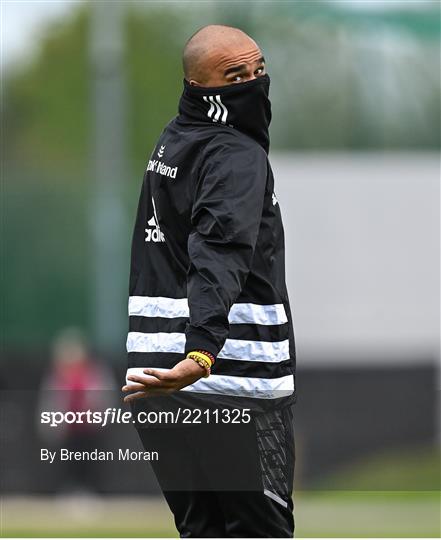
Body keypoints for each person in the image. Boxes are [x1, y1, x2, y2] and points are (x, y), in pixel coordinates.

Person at [122, 24, 297, 537]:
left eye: (258, 69)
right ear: (200, 87)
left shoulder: (173, 143)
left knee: (203, 531)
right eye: (234, 75)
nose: (253, 83)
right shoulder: (236, 155)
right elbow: (218, 253)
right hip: (228, 380)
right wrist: (201, 353)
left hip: (154, 382)